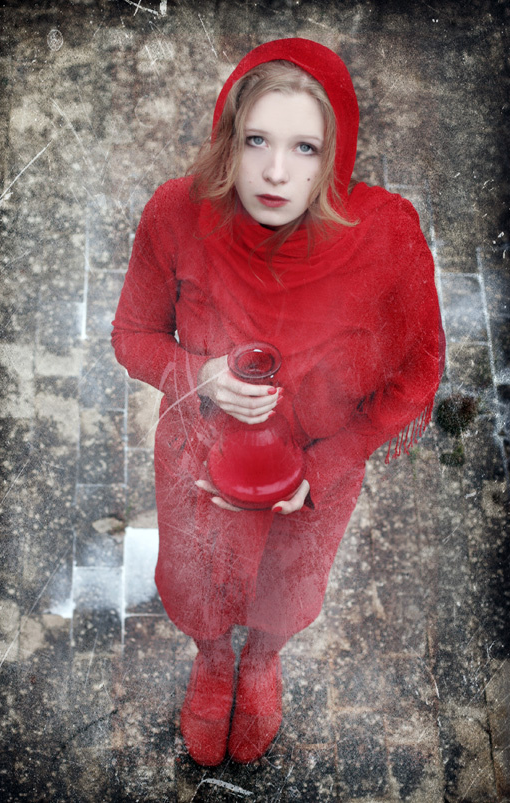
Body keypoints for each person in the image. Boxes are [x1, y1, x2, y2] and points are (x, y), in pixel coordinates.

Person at [111, 38, 445, 766]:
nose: (274, 172)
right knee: (198, 577)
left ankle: (261, 662)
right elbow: (132, 336)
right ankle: (211, 660)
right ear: (228, 136)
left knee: (287, 585)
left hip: (314, 472)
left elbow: (421, 366)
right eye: (256, 140)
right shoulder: (176, 213)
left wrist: (325, 467)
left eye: (305, 148)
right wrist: (199, 375)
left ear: (335, 156)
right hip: (201, 459)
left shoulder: (386, 234)